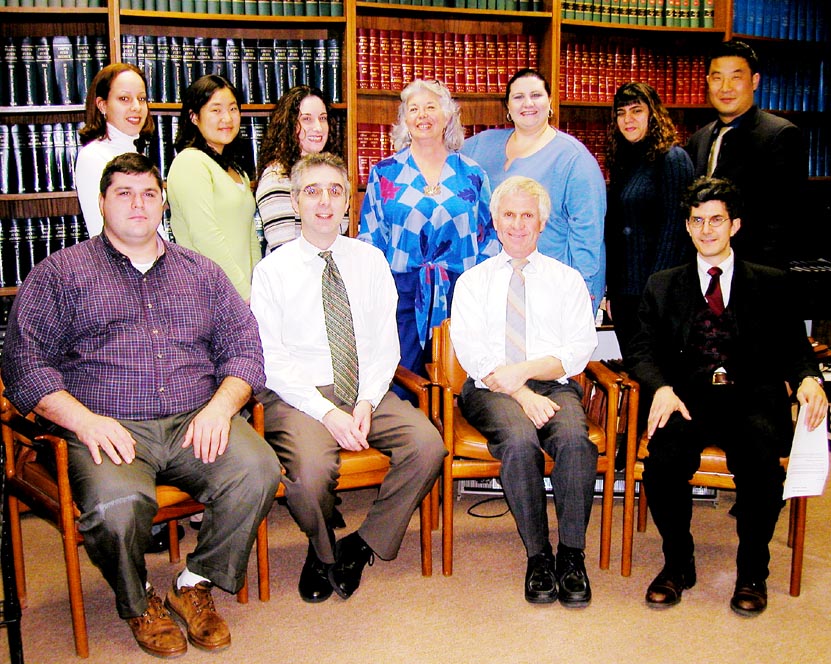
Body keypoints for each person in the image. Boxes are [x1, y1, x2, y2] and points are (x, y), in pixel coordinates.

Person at [1, 153, 282, 658]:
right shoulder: (59, 274)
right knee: (117, 506)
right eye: (124, 194)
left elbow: (245, 349)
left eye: (149, 193)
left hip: (196, 419)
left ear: (163, 202)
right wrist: (83, 420)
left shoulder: (202, 272)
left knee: (259, 469)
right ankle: (138, 603)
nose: (138, 204)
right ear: (102, 203)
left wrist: (221, 407)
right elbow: (24, 364)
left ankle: (194, 582)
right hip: (106, 426)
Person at [251, 152, 445, 604]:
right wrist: (328, 413)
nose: (324, 202)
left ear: (347, 203)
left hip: (365, 387)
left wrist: (366, 402)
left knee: (428, 444)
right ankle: (321, 553)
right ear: (295, 203)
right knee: (313, 470)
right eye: (312, 191)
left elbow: (385, 344)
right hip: (300, 393)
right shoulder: (271, 271)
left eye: (334, 191)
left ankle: (362, 544)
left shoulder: (369, 260)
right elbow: (272, 360)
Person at [628, 176, 827, 616]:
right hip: (686, 397)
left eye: (716, 220)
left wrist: (810, 379)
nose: (706, 230)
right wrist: (660, 387)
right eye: (697, 221)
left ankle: (753, 572)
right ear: (686, 226)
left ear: (735, 224)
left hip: (751, 397)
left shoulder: (773, 283)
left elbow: (796, 349)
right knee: (662, 463)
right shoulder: (662, 284)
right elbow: (641, 349)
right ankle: (678, 564)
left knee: (760, 465)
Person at [450, 176, 599, 607]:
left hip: (551, 383)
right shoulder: (472, 282)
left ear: (542, 222)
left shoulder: (567, 280)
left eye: (527, 215)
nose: (518, 224)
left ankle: (572, 555)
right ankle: (539, 555)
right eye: (509, 215)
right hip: (491, 389)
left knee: (574, 440)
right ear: (495, 221)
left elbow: (577, 350)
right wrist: (521, 392)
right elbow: (475, 354)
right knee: (518, 440)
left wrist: (529, 374)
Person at [359, 78, 498, 379]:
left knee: (458, 384)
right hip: (400, 297)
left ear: (447, 116)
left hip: (460, 295)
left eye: (431, 107)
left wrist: (479, 290)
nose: (422, 115)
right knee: (403, 383)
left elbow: (489, 238)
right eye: (414, 109)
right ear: (404, 119)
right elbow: (369, 239)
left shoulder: (472, 174)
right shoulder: (385, 173)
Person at [462, 68, 607, 312]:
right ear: (507, 106)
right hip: (492, 287)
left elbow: (588, 237)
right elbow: (440, 163)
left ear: (549, 101)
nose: (528, 103)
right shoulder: (481, 146)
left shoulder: (574, 160)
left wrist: (582, 295)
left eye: (536, 95)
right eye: (518, 97)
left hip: (550, 291)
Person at [686, 40, 806, 269]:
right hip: (704, 274)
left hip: (754, 277)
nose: (725, 88)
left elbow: (785, 223)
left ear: (754, 81)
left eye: (735, 77)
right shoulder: (699, 139)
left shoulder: (780, 135)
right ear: (708, 82)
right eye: (718, 78)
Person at [605, 82, 694, 360]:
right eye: (621, 113)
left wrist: (656, 294)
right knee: (637, 375)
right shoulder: (624, 161)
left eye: (636, 111)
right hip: (625, 295)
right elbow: (616, 233)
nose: (628, 119)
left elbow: (675, 232)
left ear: (653, 114)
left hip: (657, 297)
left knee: (659, 378)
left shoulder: (672, 159)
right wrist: (611, 291)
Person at [167, 74, 261, 302]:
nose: (227, 118)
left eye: (233, 109)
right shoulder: (190, 162)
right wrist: (243, 294)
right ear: (194, 117)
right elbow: (205, 237)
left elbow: (250, 236)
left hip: (242, 296)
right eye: (216, 110)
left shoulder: (238, 170)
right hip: (208, 295)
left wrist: (258, 289)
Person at [256, 85, 348, 253]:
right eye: (307, 119)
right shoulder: (277, 177)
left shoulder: (333, 173)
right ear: (290, 124)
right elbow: (283, 251)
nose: (318, 127)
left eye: (322, 118)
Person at [75, 63, 155, 239]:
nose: (136, 107)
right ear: (102, 105)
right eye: (124, 99)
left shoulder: (137, 153)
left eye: (141, 99)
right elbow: (99, 232)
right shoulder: (93, 157)